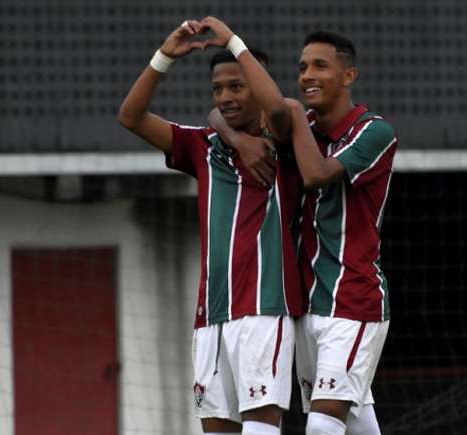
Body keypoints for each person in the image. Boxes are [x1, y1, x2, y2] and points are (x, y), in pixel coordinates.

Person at [117, 17, 303, 435]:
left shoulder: (287, 141)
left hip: (264, 307)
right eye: (218, 89)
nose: (225, 97)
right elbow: (130, 116)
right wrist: (165, 56)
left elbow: (276, 107)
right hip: (210, 317)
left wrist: (235, 42)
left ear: (258, 83)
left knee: (260, 430)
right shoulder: (204, 146)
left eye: (237, 87)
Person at [209, 30, 397, 435]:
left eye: (320, 66)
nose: (307, 75)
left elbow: (316, 175)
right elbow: (218, 114)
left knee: (323, 427)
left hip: (353, 300)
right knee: (357, 420)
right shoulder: (301, 123)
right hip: (306, 304)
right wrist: (238, 139)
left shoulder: (374, 132)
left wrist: (231, 40)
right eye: (301, 67)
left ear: (349, 76)